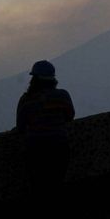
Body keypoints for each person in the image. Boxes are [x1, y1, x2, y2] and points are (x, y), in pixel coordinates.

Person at [16, 60, 75, 201]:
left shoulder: (26, 100)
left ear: (34, 79)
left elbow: (21, 126)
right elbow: (70, 116)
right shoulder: (62, 95)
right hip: (60, 146)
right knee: (56, 182)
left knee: (38, 186)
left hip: (35, 148)